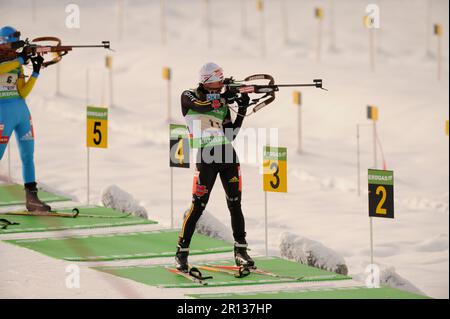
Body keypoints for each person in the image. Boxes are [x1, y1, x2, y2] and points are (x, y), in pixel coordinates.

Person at [175, 62, 254, 272]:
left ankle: (241, 251)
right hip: (206, 157)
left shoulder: (221, 101)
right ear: (208, 80)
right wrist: (223, 99)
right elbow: (202, 105)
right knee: (198, 206)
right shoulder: (188, 95)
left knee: (235, 205)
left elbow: (231, 134)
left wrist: (243, 107)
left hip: (227, 155)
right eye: (219, 80)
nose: (222, 83)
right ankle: (181, 251)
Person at [0, 26, 50, 212]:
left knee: (28, 155)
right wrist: (20, 59)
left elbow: (23, 92)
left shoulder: (17, 63)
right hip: (2, 113)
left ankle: (32, 199)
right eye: (12, 42)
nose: (14, 47)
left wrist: (35, 73)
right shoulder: (12, 61)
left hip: (21, 111)